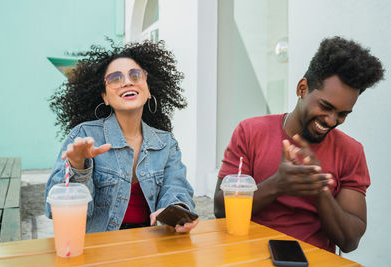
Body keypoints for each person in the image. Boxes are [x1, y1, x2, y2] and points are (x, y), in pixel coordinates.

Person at [214, 36, 384, 253]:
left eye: (342, 114)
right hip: (247, 256)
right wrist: (279, 184)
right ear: (302, 88)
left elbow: (349, 242)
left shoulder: (351, 152)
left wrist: (319, 190)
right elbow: (220, 209)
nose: (332, 121)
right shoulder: (250, 132)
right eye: (325, 106)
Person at [45, 40, 199, 233]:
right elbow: (54, 210)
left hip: (149, 245)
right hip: (99, 249)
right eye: (115, 78)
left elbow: (177, 188)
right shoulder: (83, 135)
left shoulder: (166, 143)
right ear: (105, 97)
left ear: (148, 90)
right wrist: (78, 166)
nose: (127, 81)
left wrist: (179, 213)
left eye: (135, 75)